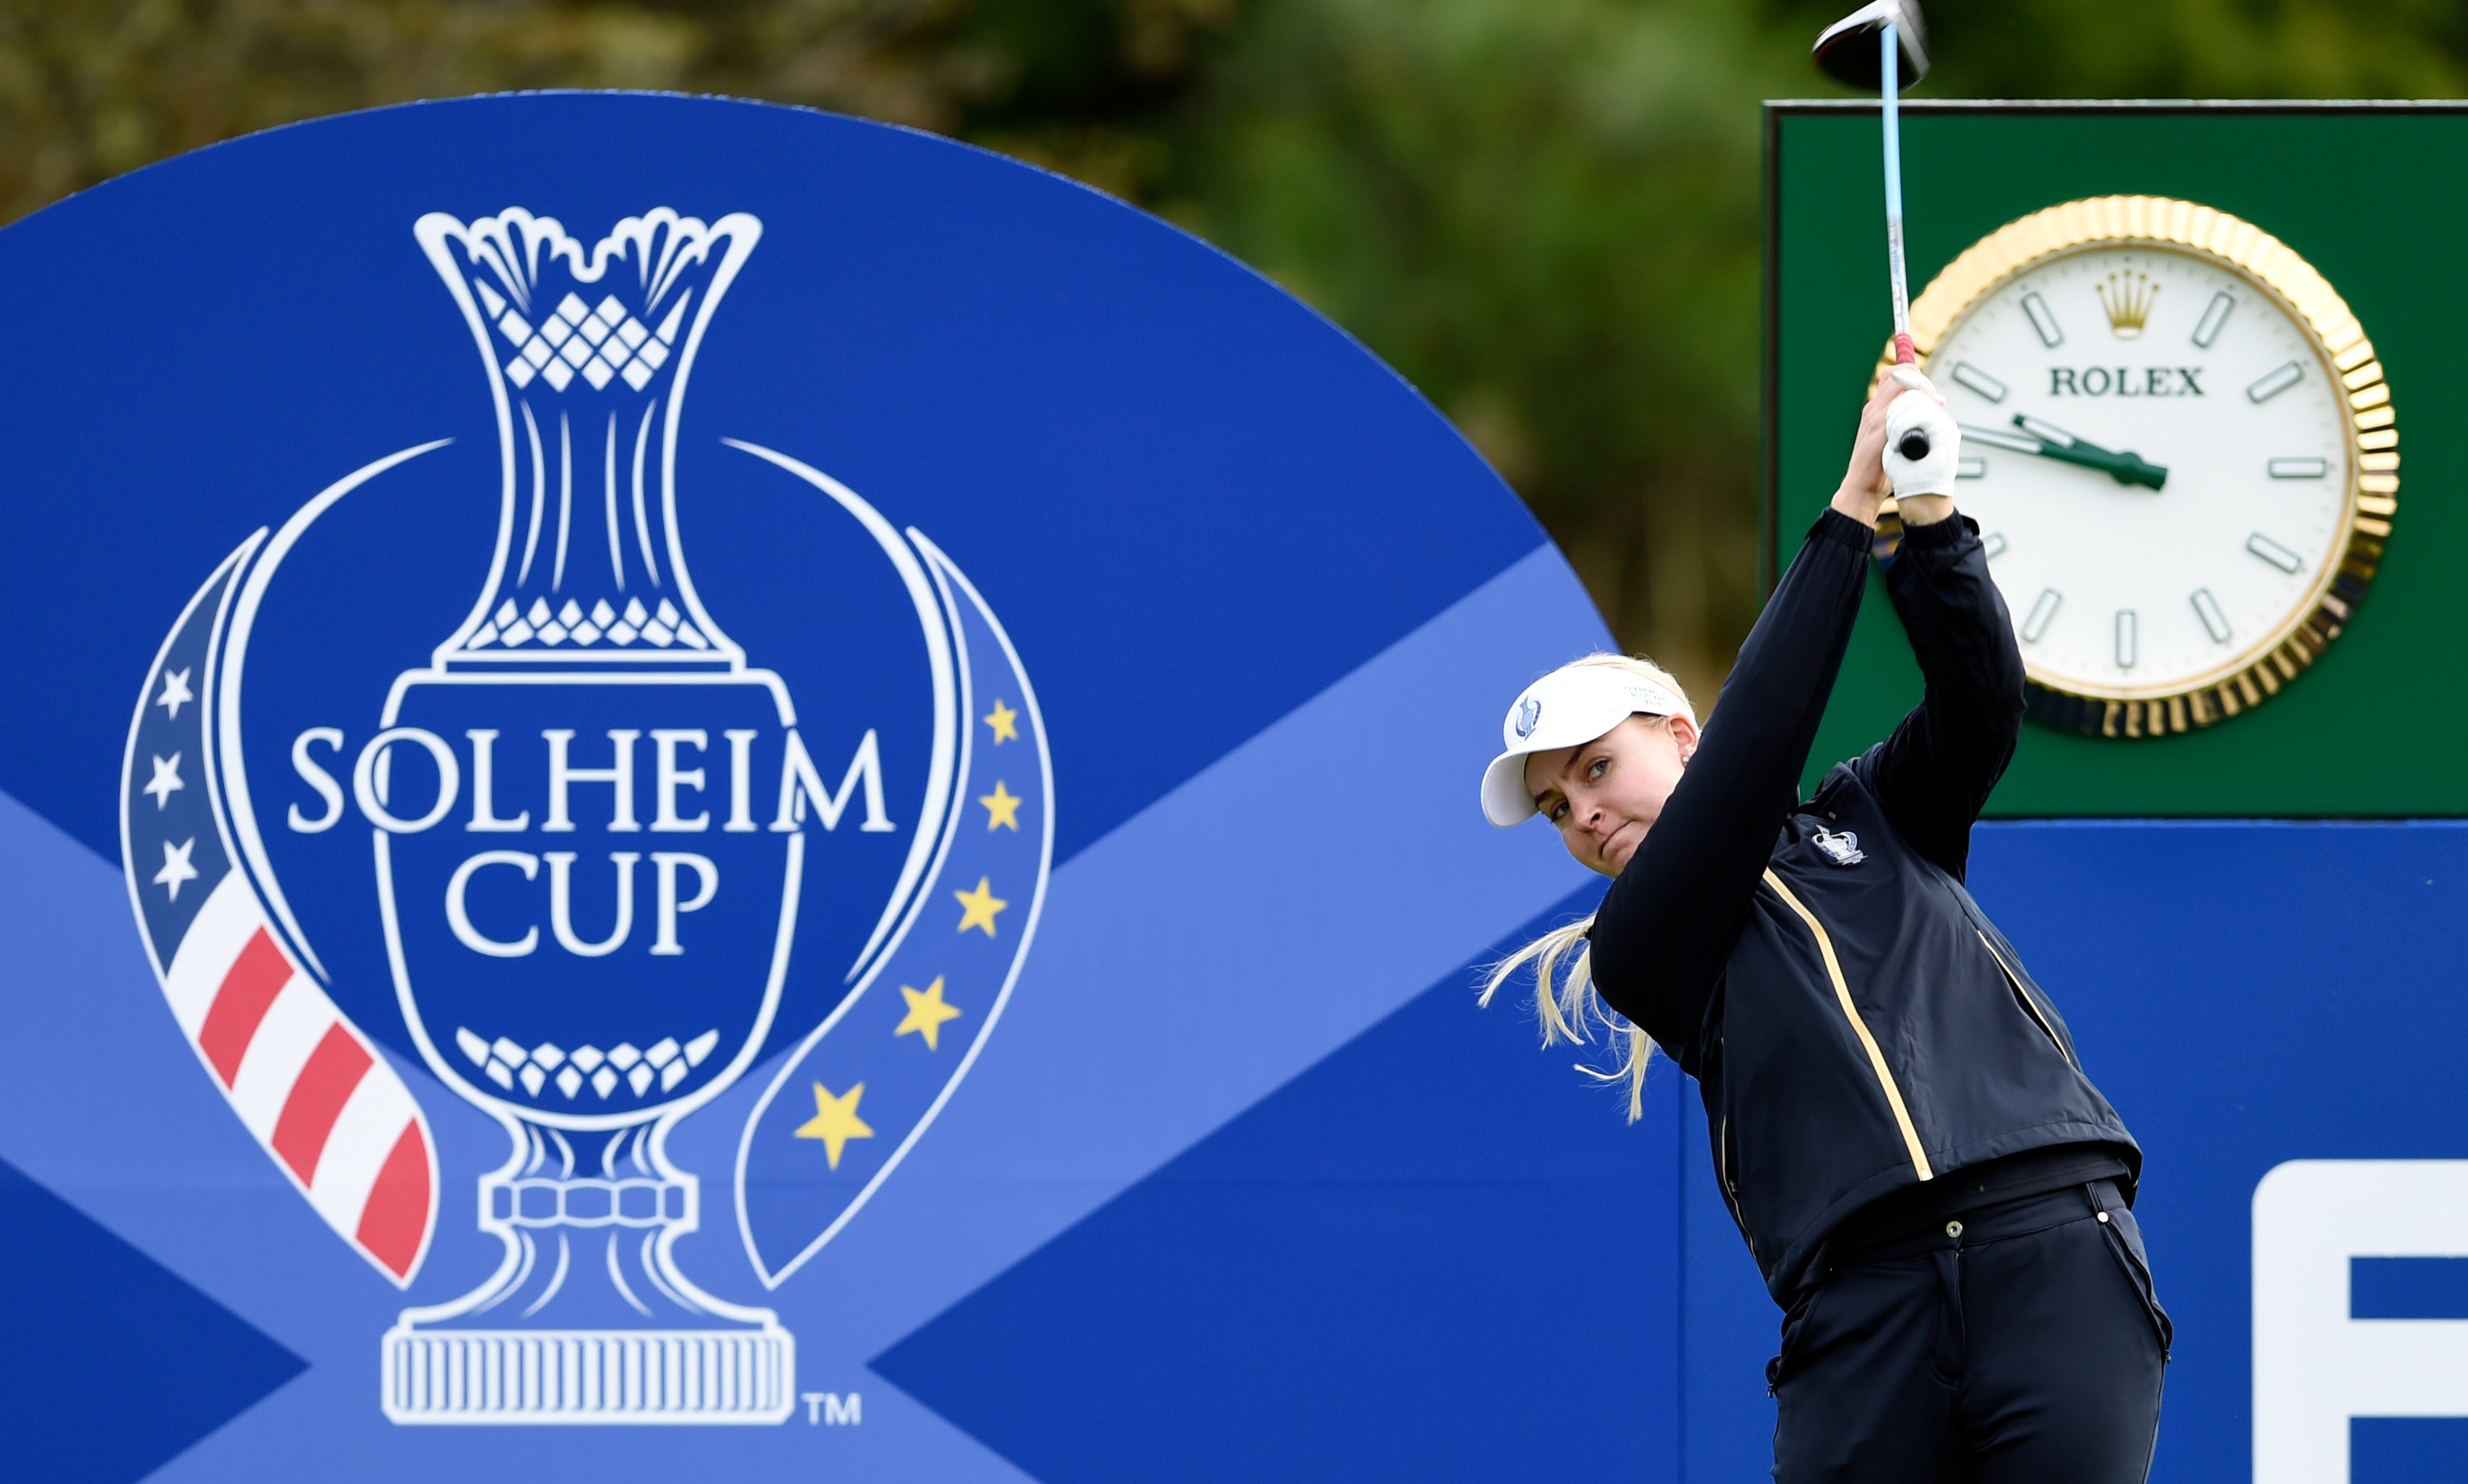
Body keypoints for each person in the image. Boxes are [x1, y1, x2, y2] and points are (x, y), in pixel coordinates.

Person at [1478, 370, 2168, 1482]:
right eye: (1558, 808)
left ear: (1676, 732)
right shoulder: (1640, 946)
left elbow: (1980, 705)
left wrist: (1929, 513)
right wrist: (1849, 513)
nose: (1586, 814)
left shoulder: (1872, 812)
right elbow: (1758, 742)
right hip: (1864, 1309)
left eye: (1597, 769)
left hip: (2051, 1243)